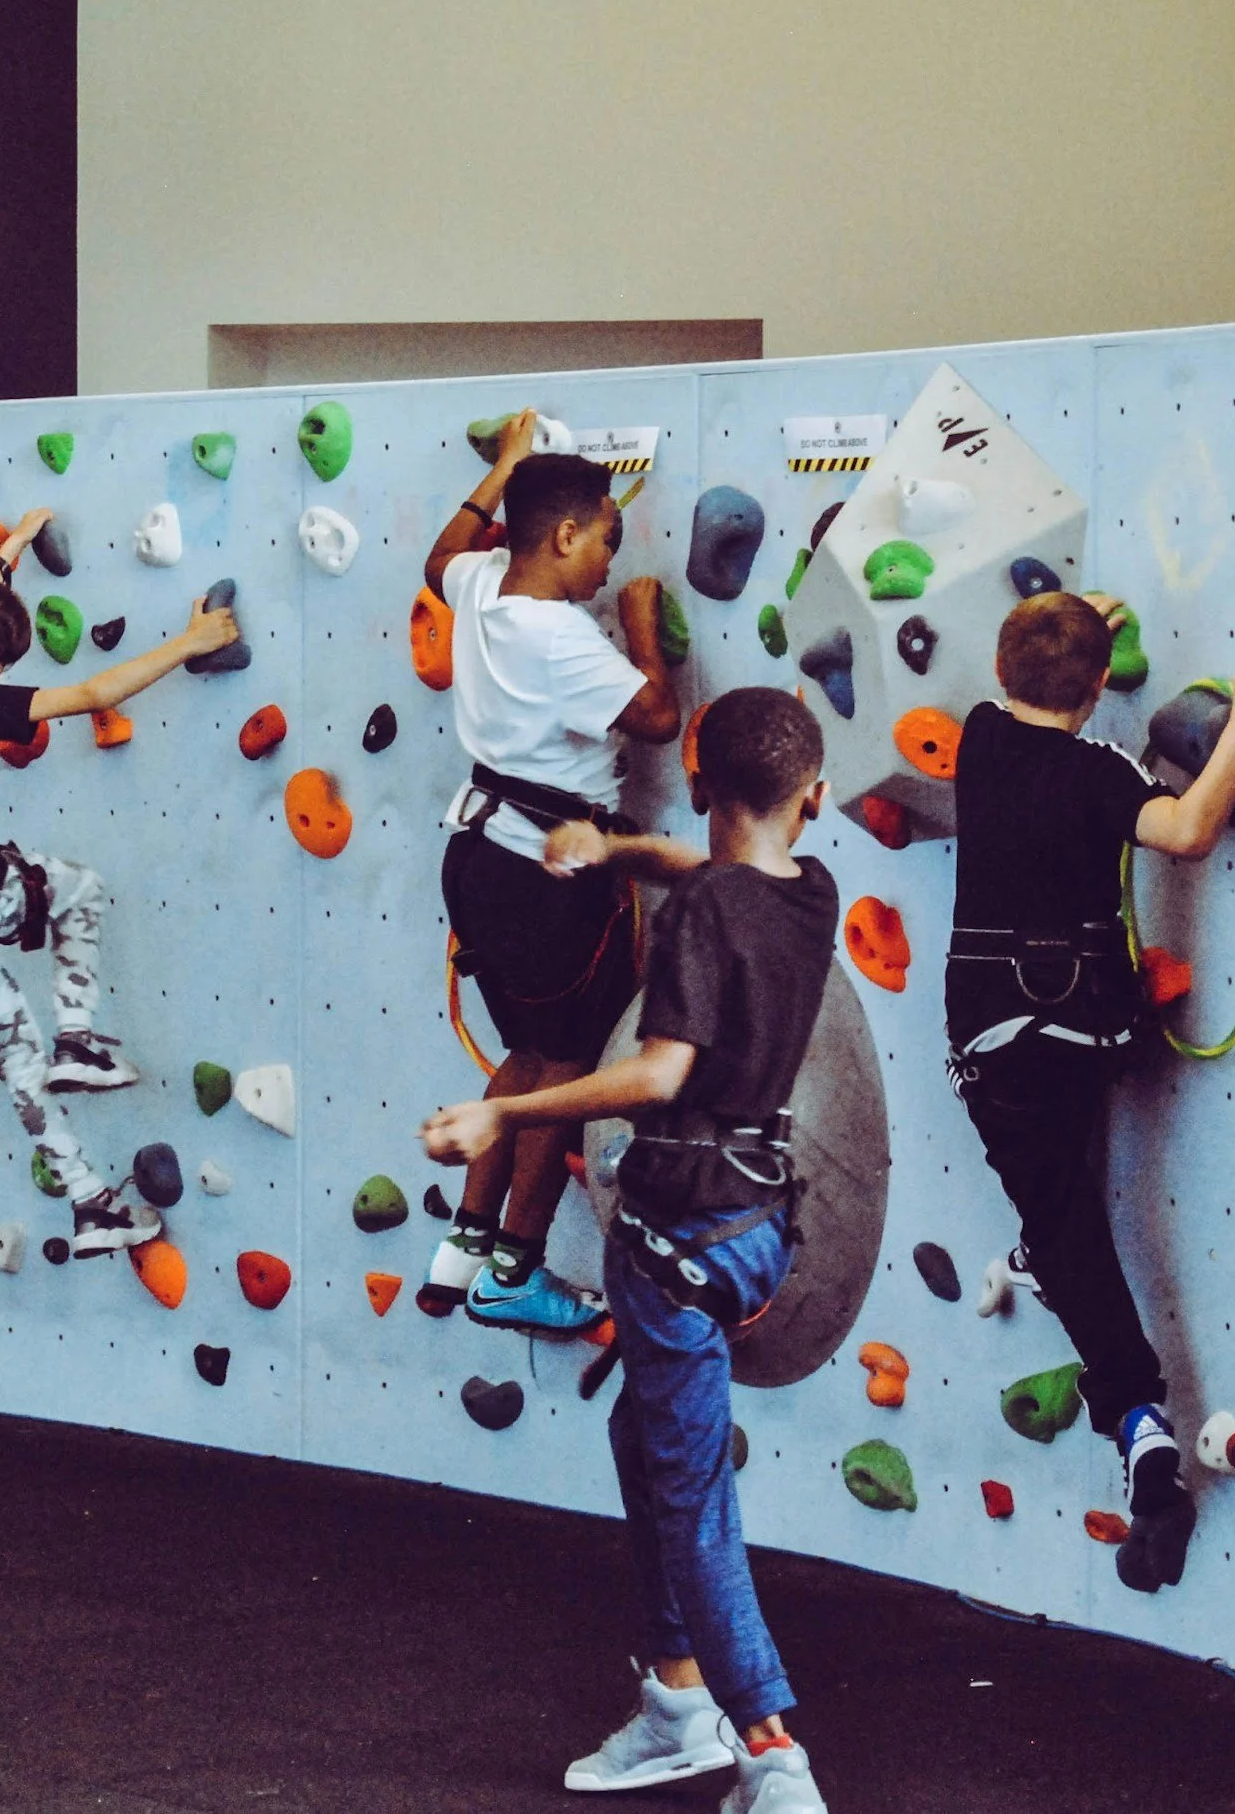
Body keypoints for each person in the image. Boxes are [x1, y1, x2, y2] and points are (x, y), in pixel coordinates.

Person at [424, 687, 835, 1814]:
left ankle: (767, 1751)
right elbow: (699, 864)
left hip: (677, 1232)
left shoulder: (703, 912)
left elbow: (660, 1070)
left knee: (689, 1488)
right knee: (642, 1432)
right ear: (816, 797)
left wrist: (503, 1116)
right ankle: (674, 1696)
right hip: (756, 1230)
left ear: (700, 785)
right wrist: (610, 845)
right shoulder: (809, 892)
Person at [946, 591, 1235, 1589]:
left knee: (1060, 1215)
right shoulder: (1098, 770)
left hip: (997, 1030)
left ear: (1002, 674)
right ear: (1098, 689)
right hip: (1089, 1029)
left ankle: (1141, 1432)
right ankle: (1129, 1405)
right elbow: (1184, 829)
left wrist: (1067, 623)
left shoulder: (978, 737)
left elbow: (1033, 676)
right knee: (1062, 1212)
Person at [0, 511, 239, 1257]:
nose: (1, 673)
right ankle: (78, 1037)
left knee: (13, 1052)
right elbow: (98, 692)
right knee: (81, 887)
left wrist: (1, 560)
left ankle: (91, 1201)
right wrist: (190, 642)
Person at [415, 411, 681, 1335]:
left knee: (527, 1056)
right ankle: (513, 1270)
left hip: (479, 857)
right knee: (566, 1067)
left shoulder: (484, 579)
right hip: (544, 878)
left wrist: (506, 469)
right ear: (565, 535)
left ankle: (463, 1243)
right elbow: (657, 718)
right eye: (609, 537)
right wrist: (642, 627)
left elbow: (438, 553)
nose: (612, 559)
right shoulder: (558, 636)